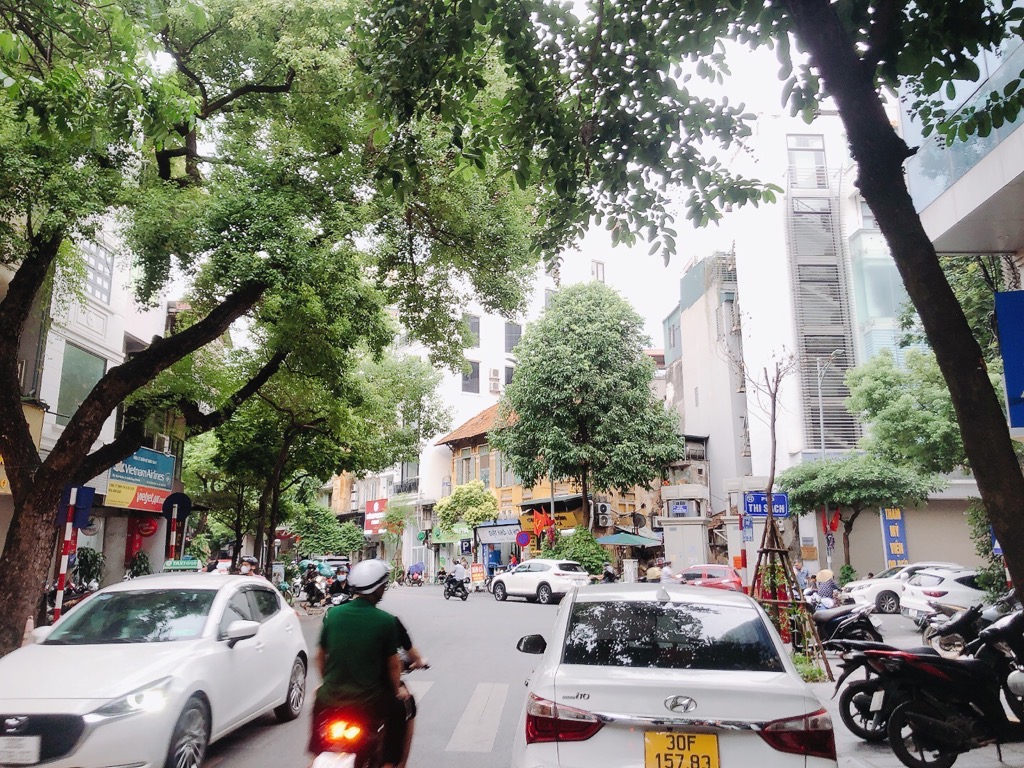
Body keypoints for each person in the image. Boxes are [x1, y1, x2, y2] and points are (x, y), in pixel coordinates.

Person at [311, 559, 409, 768]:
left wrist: (327, 683)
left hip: (330, 699)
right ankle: (389, 763)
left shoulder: (333, 615)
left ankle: (315, 757)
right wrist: (395, 692)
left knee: (318, 703)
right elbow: (393, 666)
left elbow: (319, 656)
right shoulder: (386, 620)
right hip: (369, 702)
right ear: (378, 589)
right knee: (400, 708)